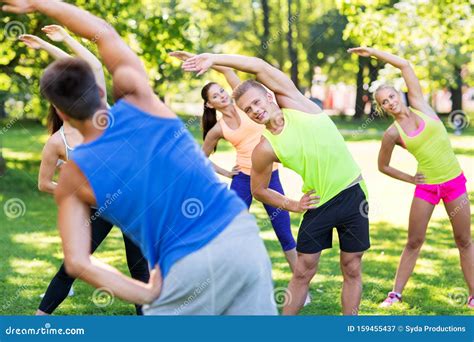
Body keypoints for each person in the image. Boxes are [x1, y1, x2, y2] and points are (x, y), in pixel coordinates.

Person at [2, 0, 276, 315]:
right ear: (101, 91)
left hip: (183, 265)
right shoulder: (141, 102)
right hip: (238, 237)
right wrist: (42, 4)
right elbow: (103, 33)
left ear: (60, 111)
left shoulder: (74, 176)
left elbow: (77, 262)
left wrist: (146, 292)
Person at [181, 52, 370, 315]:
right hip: (318, 203)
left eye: (257, 103)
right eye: (249, 110)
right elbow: (258, 190)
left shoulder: (295, 103)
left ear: (269, 96)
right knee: (303, 271)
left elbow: (257, 66)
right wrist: (291, 204)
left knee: (351, 266)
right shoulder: (265, 148)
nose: (256, 111)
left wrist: (213, 58)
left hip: (353, 194)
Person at [20, 27, 150, 315]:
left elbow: (90, 66)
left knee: (140, 270)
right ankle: (38, 321)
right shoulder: (57, 143)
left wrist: (56, 41)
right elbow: (44, 184)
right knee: (72, 264)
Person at [348, 47, 473, 309]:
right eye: (384, 102)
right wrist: (410, 178)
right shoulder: (392, 134)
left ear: (399, 95)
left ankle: (473, 295)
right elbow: (383, 166)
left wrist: (372, 52)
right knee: (414, 241)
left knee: (464, 240)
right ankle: (395, 294)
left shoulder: (421, 106)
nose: (390, 102)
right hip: (427, 188)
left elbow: (405, 65)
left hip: (453, 183)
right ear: (382, 108)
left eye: (391, 96)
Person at [170, 51, 299, 276]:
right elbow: (201, 159)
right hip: (243, 180)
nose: (222, 95)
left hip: (270, 177)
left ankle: (301, 284)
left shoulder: (245, 104)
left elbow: (227, 69)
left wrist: (199, 58)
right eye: (215, 96)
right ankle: (227, 280)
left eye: (221, 91)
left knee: (284, 232)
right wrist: (226, 173)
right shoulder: (218, 129)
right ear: (210, 105)